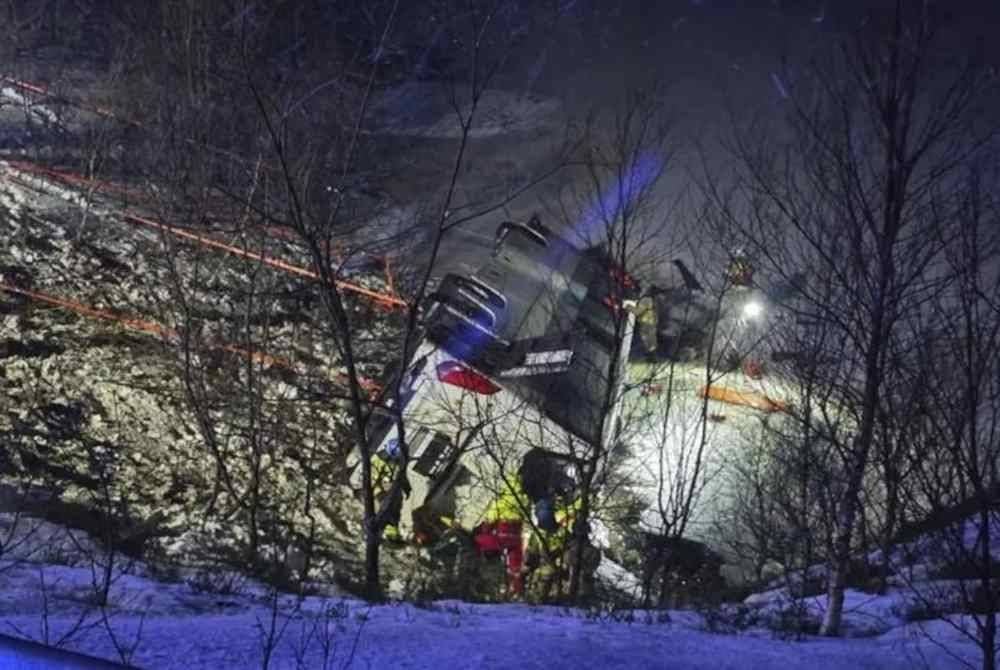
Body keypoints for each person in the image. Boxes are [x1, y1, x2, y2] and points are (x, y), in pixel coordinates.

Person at [472, 473, 531, 596]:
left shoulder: (501, 502)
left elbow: (489, 523)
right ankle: (518, 591)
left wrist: (483, 532)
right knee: (515, 567)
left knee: (477, 541)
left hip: (502, 538)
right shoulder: (524, 500)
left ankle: (478, 572)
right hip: (516, 539)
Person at [371, 439, 410, 542]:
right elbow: (372, 478)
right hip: (382, 490)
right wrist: (379, 491)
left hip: (394, 491)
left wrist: (407, 488)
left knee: (396, 510)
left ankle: (393, 533)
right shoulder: (378, 460)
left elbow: (401, 475)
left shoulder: (396, 461)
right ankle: (380, 532)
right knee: (387, 511)